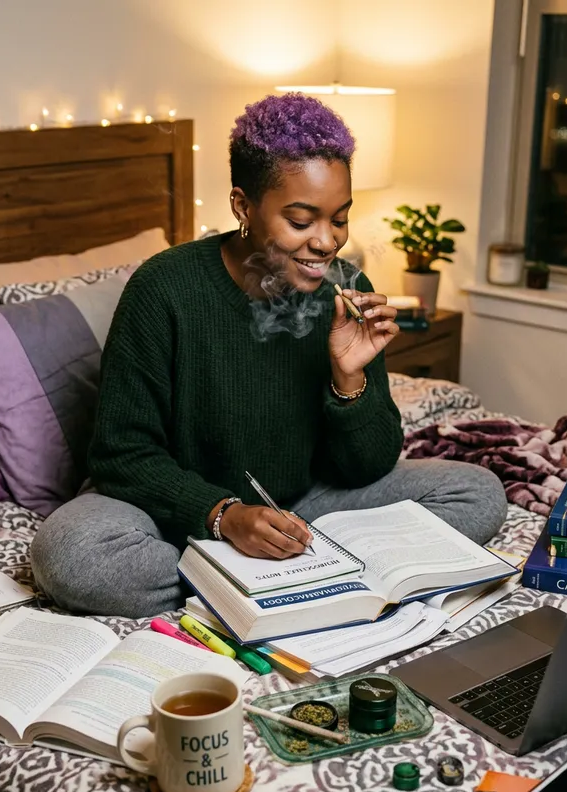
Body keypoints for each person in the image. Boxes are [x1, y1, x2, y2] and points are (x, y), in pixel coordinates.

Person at [30, 93, 507, 619]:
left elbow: (369, 467)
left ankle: (280, 569)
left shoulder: (346, 290)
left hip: (302, 504)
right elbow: (121, 455)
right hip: (175, 511)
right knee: (71, 556)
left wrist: (349, 381)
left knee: (477, 493)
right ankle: (292, 575)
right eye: (301, 221)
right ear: (243, 206)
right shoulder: (164, 289)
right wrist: (223, 516)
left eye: (340, 219)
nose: (326, 243)